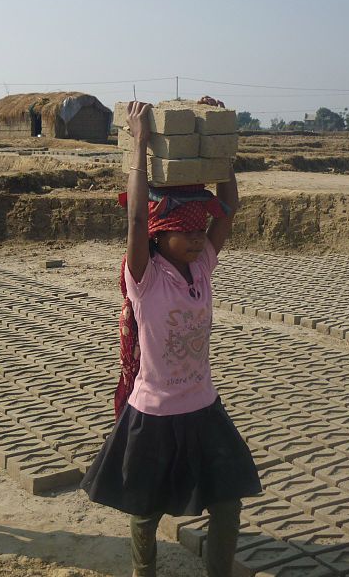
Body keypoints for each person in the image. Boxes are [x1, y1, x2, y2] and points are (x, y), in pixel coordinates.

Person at [81, 100, 261, 576]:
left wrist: (220, 151)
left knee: (228, 500)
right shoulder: (145, 276)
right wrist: (140, 144)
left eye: (200, 228)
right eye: (184, 231)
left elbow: (229, 209)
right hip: (155, 412)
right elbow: (136, 219)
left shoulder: (201, 266)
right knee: (146, 509)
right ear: (160, 237)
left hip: (203, 405)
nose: (198, 237)